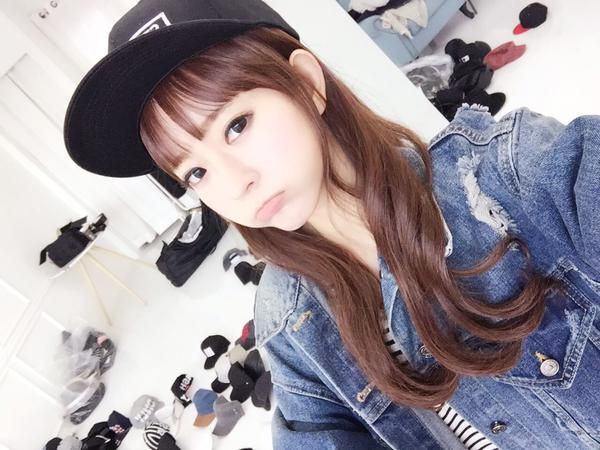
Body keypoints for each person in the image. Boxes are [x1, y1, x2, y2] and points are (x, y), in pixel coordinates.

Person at [63, 0, 600, 449]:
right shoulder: (288, 325)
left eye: (236, 126)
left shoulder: (510, 172)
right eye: (196, 172)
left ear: (306, 83)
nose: (234, 184)